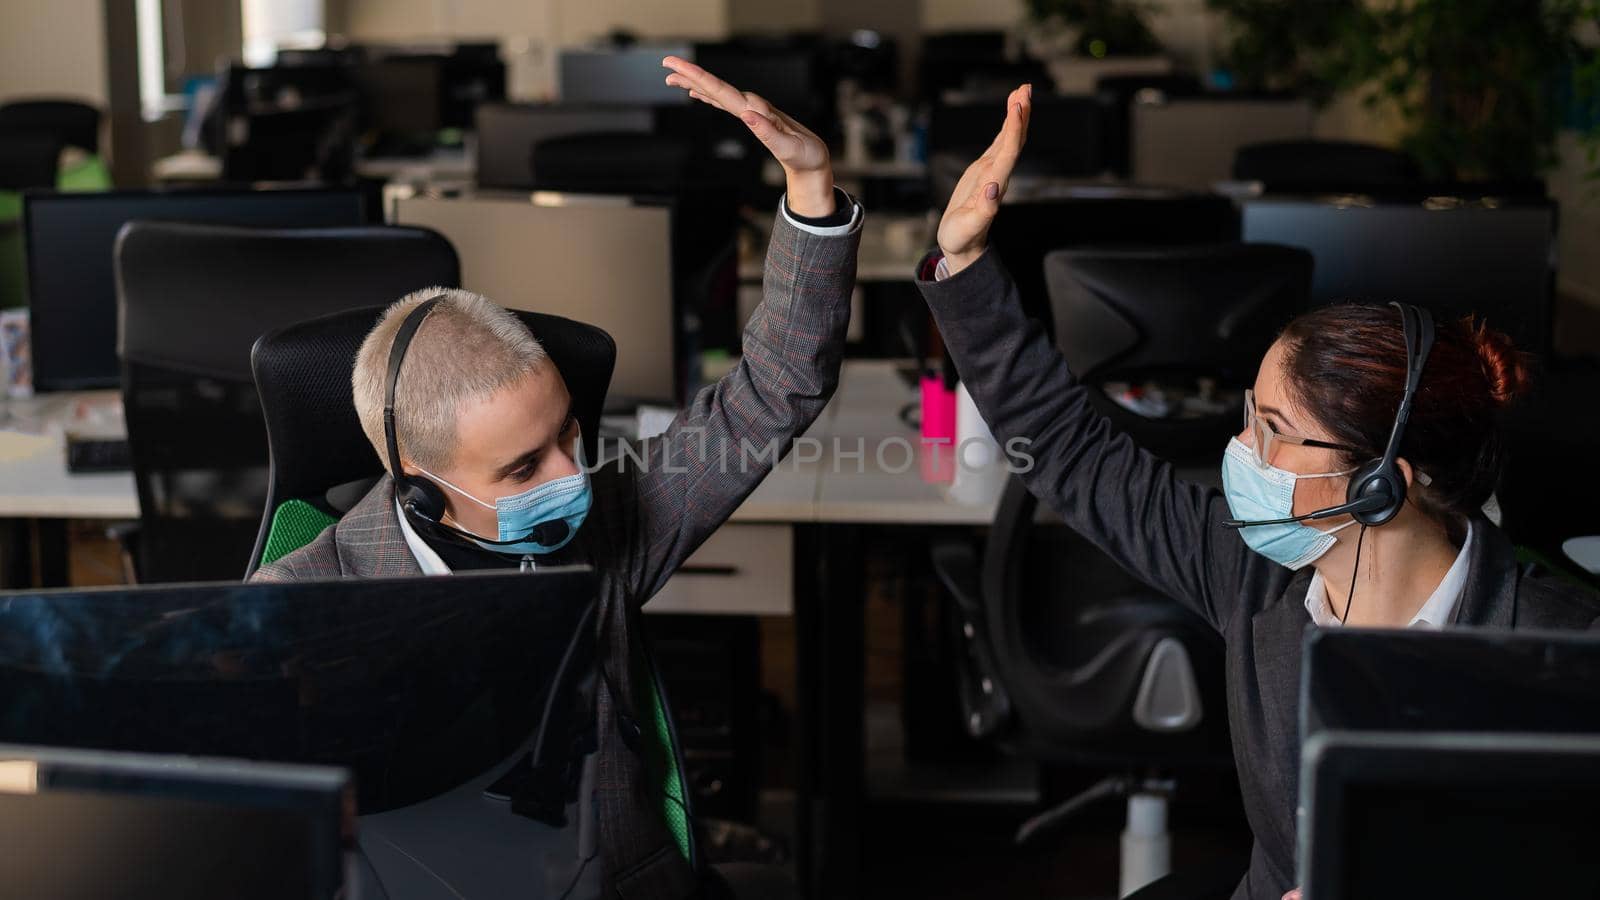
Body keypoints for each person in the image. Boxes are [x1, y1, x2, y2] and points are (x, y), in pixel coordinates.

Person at [918, 84, 1600, 900]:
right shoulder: (1261, 582)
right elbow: (1073, 453)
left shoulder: (1559, 652)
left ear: (1383, 482)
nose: (1241, 450)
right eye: (1251, 416)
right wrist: (963, 266)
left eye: (1274, 429)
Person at [253, 58, 861, 899]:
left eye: (569, 432)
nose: (572, 474)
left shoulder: (604, 527)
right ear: (418, 482)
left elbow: (774, 390)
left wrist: (810, 184)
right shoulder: (297, 604)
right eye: (522, 465)